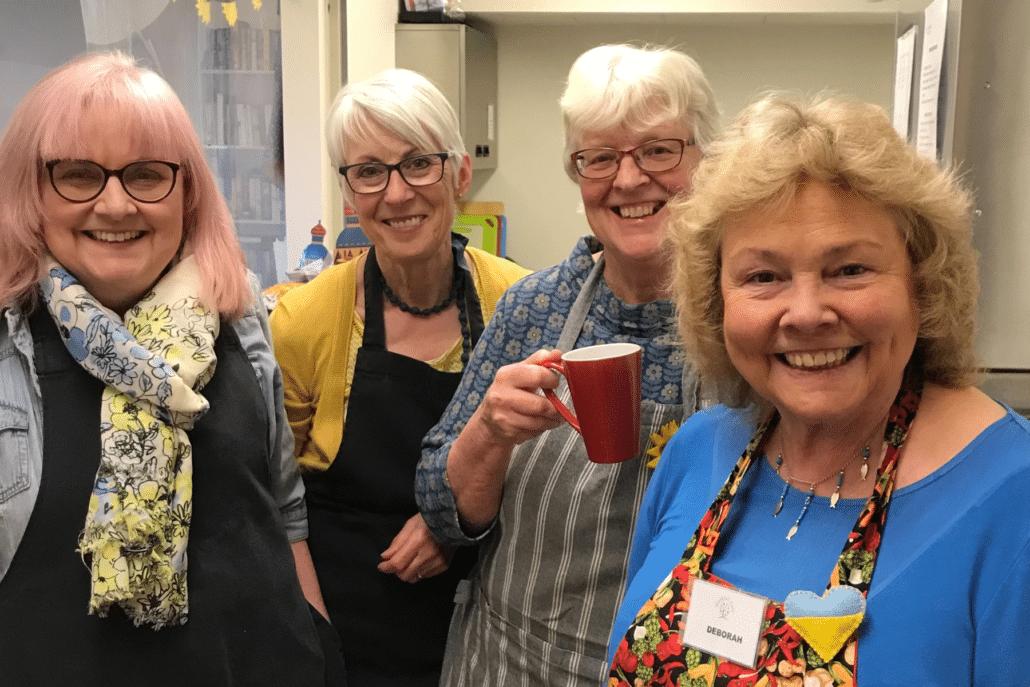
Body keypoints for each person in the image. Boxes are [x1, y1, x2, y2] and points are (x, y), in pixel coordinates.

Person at [607, 93, 1030, 687]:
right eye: (763, 276)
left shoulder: (1012, 494)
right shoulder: (697, 451)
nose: (806, 313)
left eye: (850, 270)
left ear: (923, 284)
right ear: (716, 300)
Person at [0, 52, 345, 685]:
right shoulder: (7, 340)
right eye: (77, 175)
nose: (115, 205)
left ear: (187, 193)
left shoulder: (238, 315)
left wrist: (320, 650)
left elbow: (284, 514)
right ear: (30, 190)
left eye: (146, 175)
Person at [416, 44, 720, 686]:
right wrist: (488, 433)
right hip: (506, 664)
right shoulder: (534, 307)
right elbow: (442, 512)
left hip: (664, 669)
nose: (628, 180)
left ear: (706, 160)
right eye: (599, 157)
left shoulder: (741, 323)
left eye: (658, 150)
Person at [270, 68, 530, 687]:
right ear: (348, 192)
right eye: (369, 171)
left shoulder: (519, 303)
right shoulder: (303, 321)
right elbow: (278, 504)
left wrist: (447, 525)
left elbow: (541, 479)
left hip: (488, 634)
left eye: (418, 164)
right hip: (344, 631)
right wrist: (317, 648)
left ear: (459, 175)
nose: (396, 193)